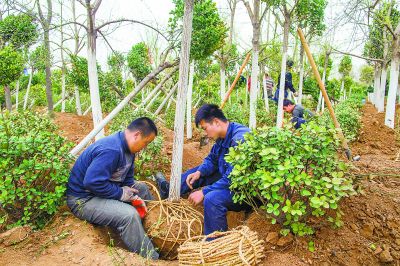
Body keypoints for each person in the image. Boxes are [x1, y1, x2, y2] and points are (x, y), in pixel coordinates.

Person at [66, 117, 159, 259]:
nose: (145, 147)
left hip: (100, 191)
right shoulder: (112, 149)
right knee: (129, 216)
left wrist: (132, 193)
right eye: (146, 143)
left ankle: (154, 233)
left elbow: (127, 180)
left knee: (142, 188)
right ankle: (151, 258)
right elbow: (92, 182)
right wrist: (121, 194)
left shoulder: (129, 150)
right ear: (136, 135)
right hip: (84, 199)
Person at [155, 104, 251, 235]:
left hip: (245, 191)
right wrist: (199, 172)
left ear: (216, 122)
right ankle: (169, 189)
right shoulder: (222, 137)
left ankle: (214, 243)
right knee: (197, 173)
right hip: (231, 179)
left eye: (205, 128)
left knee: (212, 199)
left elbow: (232, 178)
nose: (205, 133)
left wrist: (204, 192)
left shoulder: (240, 138)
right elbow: (212, 159)